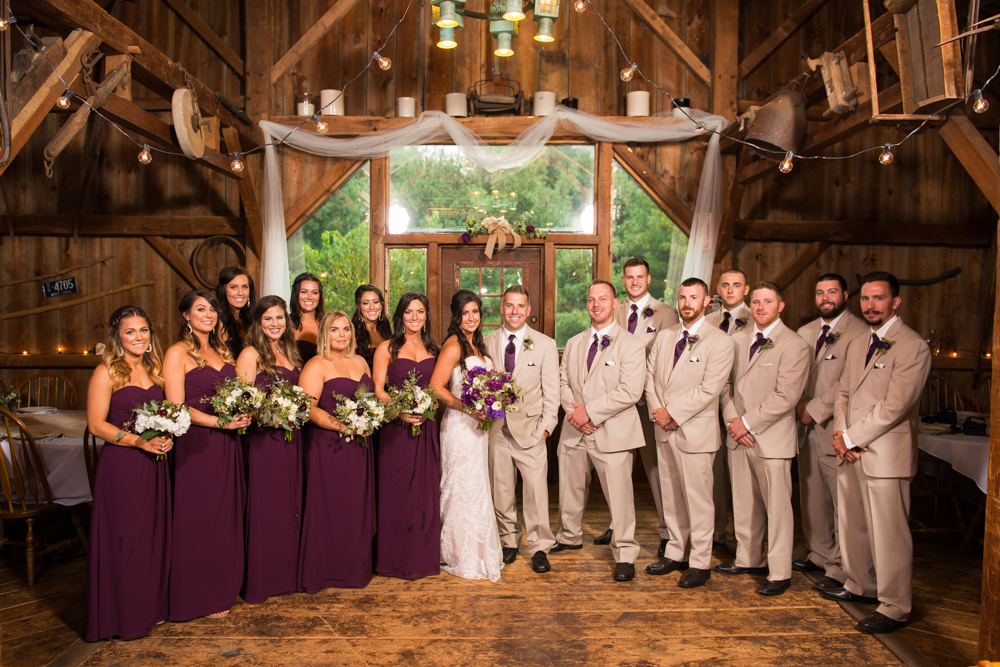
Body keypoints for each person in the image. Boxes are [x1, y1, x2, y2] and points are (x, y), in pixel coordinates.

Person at [824, 271, 931, 634]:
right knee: (852, 524)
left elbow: (896, 406)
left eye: (878, 298)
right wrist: (840, 433)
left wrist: (853, 437)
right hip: (850, 447)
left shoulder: (912, 345)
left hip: (884, 453)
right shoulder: (858, 342)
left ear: (895, 302)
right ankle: (859, 584)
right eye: (865, 299)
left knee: (889, 534)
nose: (870, 305)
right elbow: (842, 393)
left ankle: (895, 606)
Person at [85, 306, 172, 640]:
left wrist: (166, 438)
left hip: (155, 464)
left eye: (143, 331)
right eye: (130, 332)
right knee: (124, 540)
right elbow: (95, 425)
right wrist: (138, 442)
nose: (139, 337)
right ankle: (120, 617)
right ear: (117, 338)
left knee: (150, 537)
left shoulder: (156, 371)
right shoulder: (106, 372)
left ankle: (147, 609)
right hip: (122, 466)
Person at [719, 281, 810, 596]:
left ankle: (780, 572)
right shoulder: (735, 340)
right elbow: (724, 386)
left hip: (770, 437)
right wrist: (733, 421)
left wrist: (746, 423)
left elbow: (786, 397)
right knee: (744, 503)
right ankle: (748, 558)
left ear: (780, 306)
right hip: (738, 435)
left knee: (777, 508)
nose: (760, 307)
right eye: (756, 302)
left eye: (767, 302)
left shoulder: (794, 344)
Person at [551, 280, 646, 582]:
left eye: (602, 299)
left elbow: (630, 391)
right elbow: (562, 382)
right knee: (570, 487)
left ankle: (625, 552)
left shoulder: (632, 344)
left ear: (615, 303)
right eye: (591, 299)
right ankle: (569, 535)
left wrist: (589, 412)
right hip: (574, 429)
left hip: (613, 431)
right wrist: (573, 411)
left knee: (619, 496)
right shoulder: (576, 341)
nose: (596, 305)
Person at [163, 291, 250, 620]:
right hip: (197, 444)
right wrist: (219, 422)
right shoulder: (177, 353)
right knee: (199, 516)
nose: (209, 314)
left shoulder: (222, 350)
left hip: (227, 444)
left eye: (212, 309)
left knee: (224, 515)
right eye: (200, 309)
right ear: (185, 315)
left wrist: (242, 413)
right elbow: (175, 407)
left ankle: (221, 586)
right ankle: (197, 594)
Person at [643, 278, 734, 588]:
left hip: (695, 431)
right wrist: (657, 411)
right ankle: (676, 553)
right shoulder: (665, 337)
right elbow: (649, 379)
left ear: (706, 301)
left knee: (699, 500)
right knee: (672, 498)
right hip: (663, 430)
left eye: (693, 298)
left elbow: (710, 389)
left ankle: (700, 561)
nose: (686, 303)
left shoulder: (720, 341)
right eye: (682, 298)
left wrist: (673, 414)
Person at [793, 273, 868, 591]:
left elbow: (848, 383)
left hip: (834, 426)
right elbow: (792, 372)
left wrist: (815, 409)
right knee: (812, 496)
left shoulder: (860, 332)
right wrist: (798, 405)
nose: (825, 297)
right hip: (803, 424)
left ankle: (840, 565)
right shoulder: (805, 331)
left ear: (846, 295)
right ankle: (820, 552)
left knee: (841, 501)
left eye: (832, 292)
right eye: (820, 292)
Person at [602, 257, 679, 556]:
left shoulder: (666, 313)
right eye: (629, 277)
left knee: (657, 470)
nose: (634, 282)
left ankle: (667, 531)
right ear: (623, 280)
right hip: (618, 403)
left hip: (648, 402)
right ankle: (616, 526)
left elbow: (666, 362)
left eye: (640, 277)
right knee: (614, 468)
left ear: (649, 279)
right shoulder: (613, 309)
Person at [298, 310, 376, 591]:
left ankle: (355, 567)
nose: (341, 334)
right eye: (334, 330)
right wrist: (343, 427)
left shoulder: (360, 361)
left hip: (360, 447)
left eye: (345, 329)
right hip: (328, 447)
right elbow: (307, 408)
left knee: (355, 507)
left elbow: (370, 401)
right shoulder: (316, 365)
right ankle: (327, 570)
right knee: (331, 506)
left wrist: (369, 421)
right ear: (324, 335)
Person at [429, 289, 503, 582]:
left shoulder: (478, 346)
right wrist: (469, 409)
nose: (471, 318)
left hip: (478, 429)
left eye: (476, 312)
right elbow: (436, 386)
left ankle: (480, 550)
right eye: (465, 313)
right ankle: (460, 554)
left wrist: (493, 401)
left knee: (477, 487)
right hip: (459, 428)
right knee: (460, 488)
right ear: (456, 316)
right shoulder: (453, 346)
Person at [483, 285, 559, 574]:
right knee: (501, 490)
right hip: (497, 430)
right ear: (501, 308)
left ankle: (540, 547)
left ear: (529, 310)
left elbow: (552, 394)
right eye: (509, 305)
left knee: (537, 494)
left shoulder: (545, 344)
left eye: (520, 306)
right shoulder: (487, 342)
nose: (515, 311)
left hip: (531, 431)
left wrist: (545, 430)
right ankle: (508, 540)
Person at [236, 296, 304, 605]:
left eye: (279, 318)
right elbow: (243, 400)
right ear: (258, 323)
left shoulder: (290, 351)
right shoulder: (250, 354)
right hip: (265, 441)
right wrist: (270, 413)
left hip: (293, 438)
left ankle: (288, 574)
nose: (275, 324)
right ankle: (265, 578)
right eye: (268, 319)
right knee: (269, 507)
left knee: (291, 503)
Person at [372, 292, 442, 580]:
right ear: (400, 315)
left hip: (426, 429)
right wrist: (399, 410)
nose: (415, 317)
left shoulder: (434, 348)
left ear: (426, 316)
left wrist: (426, 409)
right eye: (409, 312)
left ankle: (421, 557)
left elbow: (438, 388)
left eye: (420, 312)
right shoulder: (387, 348)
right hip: (396, 430)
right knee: (395, 493)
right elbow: (378, 389)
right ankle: (393, 557)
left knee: (424, 496)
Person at [705, 268, 751, 547]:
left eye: (737, 285)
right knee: (714, 474)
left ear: (746, 290)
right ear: (718, 290)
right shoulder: (707, 321)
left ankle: (747, 542)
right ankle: (717, 530)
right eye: (725, 285)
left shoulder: (757, 319)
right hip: (710, 403)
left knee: (744, 480)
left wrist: (734, 413)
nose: (730, 290)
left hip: (743, 408)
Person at [215, 267, 257, 359]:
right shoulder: (217, 322)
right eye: (233, 287)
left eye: (245, 287)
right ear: (223, 290)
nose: (240, 293)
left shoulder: (250, 321)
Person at [352, 284, 392, 370]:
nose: (372, 307)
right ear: (358, 306)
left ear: (381, 304)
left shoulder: (386, 331)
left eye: (375, 302)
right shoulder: (352, 334)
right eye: (366, 303)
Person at [290, 272, 325, 363]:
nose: (309, 297)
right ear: (296, 294)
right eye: (304, 292)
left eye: (314, 292)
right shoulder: (285, 323)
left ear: (319, 296)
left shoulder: (327, 324)